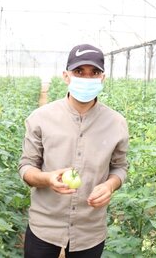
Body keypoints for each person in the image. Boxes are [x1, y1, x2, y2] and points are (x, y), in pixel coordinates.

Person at [18, 44, 129, 258]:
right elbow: (26, 167)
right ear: (66, 76)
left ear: (102, 78)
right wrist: (47, 178)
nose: (87, 78)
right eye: (79, 72)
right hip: (45, 224)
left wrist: (110, 184)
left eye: (94, 73)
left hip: (90, 229)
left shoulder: (116, 123)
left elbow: (120, 167)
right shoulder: (40, 118)